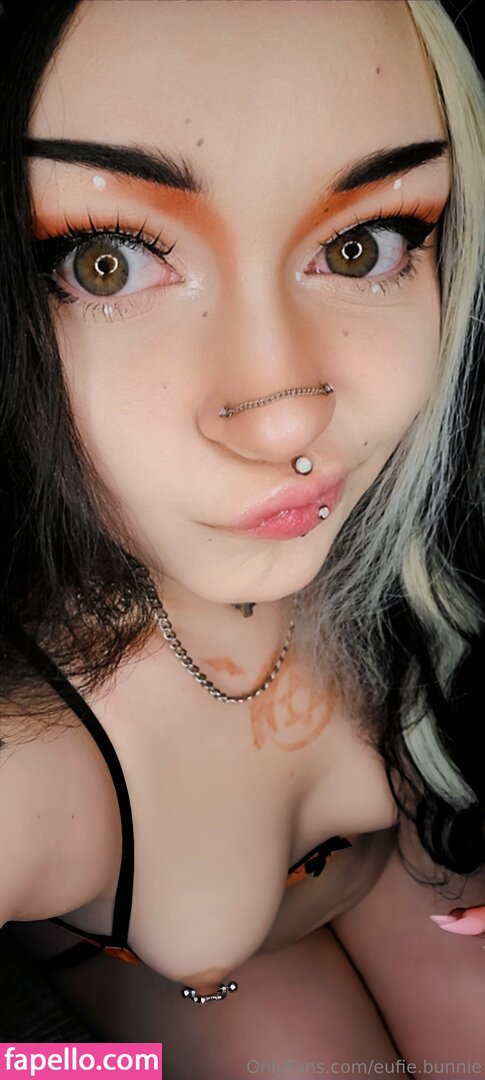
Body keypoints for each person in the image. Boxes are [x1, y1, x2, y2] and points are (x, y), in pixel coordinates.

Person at [0, 0, 483, 1074]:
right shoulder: (23, 767)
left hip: (410, 876)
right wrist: (75, 1068)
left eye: (362, 246)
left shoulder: (432, 507)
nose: (284, 422)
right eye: (107, 263)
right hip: (195, 985)